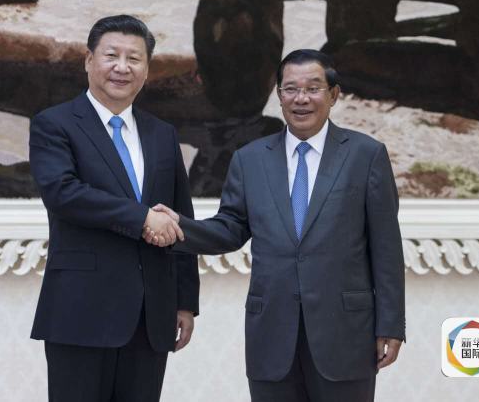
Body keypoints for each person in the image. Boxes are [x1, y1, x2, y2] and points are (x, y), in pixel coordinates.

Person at [146, 49, 405, 402]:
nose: (301, 98)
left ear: (333, 95)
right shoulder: (249, 159)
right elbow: (230, 228)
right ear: (279, 96)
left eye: (313, 88)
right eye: (291, 89)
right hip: (271, 333)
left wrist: (391, 324)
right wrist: (180, 227)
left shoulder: (366, 155)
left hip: (345, 333)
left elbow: (386, 247)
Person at [29, 14, 199, 402]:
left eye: (134, 58)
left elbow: (180, 217)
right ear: (89, 61)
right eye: (111, 55)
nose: (122, 67)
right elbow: (63, 192)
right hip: (81, 310)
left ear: (147, 70)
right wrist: (142, 217)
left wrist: (185, 301)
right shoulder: (54, 124)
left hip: (151, 316)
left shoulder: (162, 133)